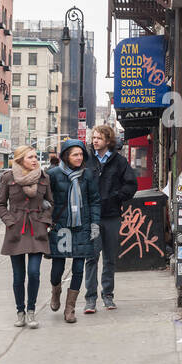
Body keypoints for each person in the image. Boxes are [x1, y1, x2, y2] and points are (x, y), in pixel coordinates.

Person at [0, 145, 53, 328]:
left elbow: (50, 203)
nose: (35, 160)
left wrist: (45, 221)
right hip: (16, 230)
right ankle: (20, 312)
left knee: (34, 272)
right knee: (18, 276)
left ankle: (31, 311)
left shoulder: (44, 178)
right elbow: (1, 205)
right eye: (30, 157)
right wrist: (10, 222)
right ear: (20, 160)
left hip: (37, 230)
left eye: (35, 157)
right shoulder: (8, 178)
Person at [83, 124, 137, 314]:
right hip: (92, 218)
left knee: (109, 258)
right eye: (93, 138)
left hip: (112, 216)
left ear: (107, 140)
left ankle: (108, 296)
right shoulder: (87, 160)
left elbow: (131, 185)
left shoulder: (119, 161)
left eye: (98, 138)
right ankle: (90, 299)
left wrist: (116, 197)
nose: (94, 141)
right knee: (91, 257)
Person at [47, 138, 101, 324]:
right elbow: (46, 199)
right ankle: (56, 292)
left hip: (82, 227)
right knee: (57, 268)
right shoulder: (53, 174)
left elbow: (94, 200)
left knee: (78, 269)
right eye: (75, 154)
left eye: (80, 154)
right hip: (61, 227)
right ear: (66, 156)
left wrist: (95, 224)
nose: (79, 158)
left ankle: (70, 308)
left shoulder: (88, 175)